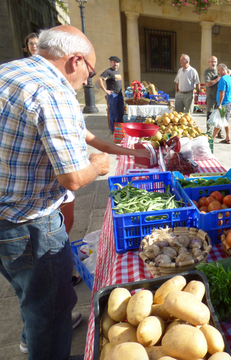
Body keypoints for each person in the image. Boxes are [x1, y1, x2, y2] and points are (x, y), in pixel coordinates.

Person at [0, 25, 111, 358]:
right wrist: (99, 165)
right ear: (75, 60)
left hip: (6, 216)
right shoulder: (52, 89)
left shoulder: (9, 71)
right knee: (50, 311)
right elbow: (74, 178)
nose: (86, 80)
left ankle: (29, 338)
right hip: (29, 222)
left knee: (28, 294)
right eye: (89, 72)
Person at [97, 55, 124, 133]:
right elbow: (99, 79)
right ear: (110, 62)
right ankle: (113, 129)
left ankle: (118, 129)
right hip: (113, 96)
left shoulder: (117, 72)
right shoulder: (108, 71)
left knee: (120, 112)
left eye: (117, 62)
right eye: (114, 62)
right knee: (113, 113)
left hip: (119, 95)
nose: (116, 64)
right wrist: (106, 90)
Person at [212, 64, 231, 144]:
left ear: (223, 69)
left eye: (218, 70)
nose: (218, 72)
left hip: (223, 103)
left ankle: (212, 138)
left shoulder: (223, 79)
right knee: (226, 120)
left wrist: (219, 104)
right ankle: (228, 138)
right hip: (228, 103)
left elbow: (222, 92)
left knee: (220, 121)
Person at [204, 56, 223, 138]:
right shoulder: (207, 72)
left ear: (217, 62)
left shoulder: (219, 71)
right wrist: (217, 79)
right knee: (210, 114)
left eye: (215, 61)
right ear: (209, 62)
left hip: (220, 98)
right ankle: (209, 131)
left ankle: (220, 132)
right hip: (211, 97)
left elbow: (228, 72)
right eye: (211, 61)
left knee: (220, 114)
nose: (213, 63)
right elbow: (208, 84)